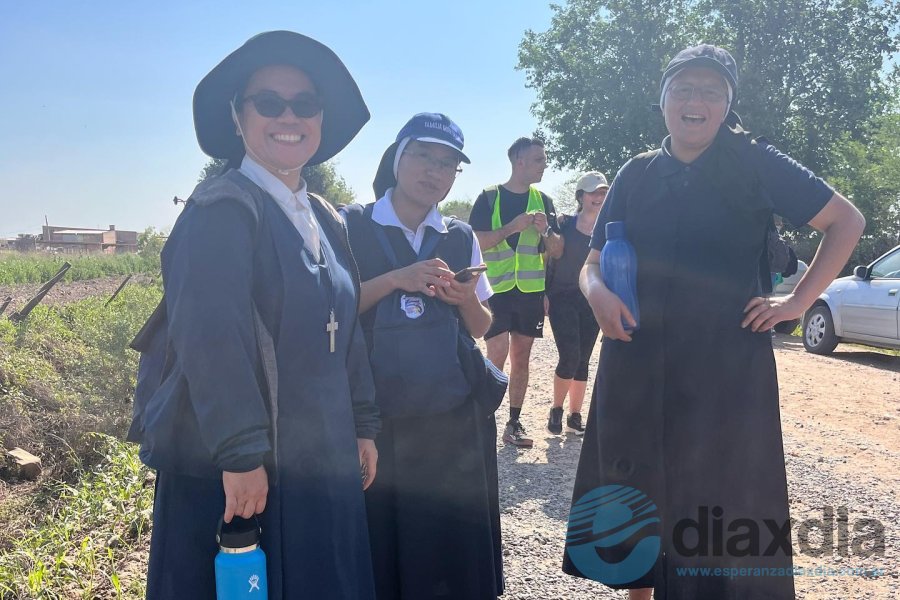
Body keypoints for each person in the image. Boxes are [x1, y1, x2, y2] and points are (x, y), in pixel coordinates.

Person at [563, 45, 865, 600]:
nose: (694, 101)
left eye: (710, 91)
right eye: (683, 89)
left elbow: (846, 221)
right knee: (637, 488)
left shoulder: (756, 162)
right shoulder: (634, 173)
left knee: (718, 501)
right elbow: (589, 265)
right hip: (637, 358)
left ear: (727, 104)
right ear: (663, 101)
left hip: (723, 368)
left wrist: (797, 301)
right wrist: (598, 294)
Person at [133, 31, 380, 599]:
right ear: (238, 118)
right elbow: (208, 339)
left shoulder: (324, 218)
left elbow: (347, 334)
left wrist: (363, 424)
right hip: (246, 466)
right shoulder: (220, 210)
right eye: (268, 102)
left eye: (305, 104)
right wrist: (241, 454)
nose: (288, 116)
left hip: (324, 457)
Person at [342, 113, 504, 599]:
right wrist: (397, 279)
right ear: (396, 157)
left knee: (449, 541)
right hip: (376, 415)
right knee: (382, 543)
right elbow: (330, 311)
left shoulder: (460, 236)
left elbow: (481, 327)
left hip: (452, 413)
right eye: (423, 157)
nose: (434, 171)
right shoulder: (351, 225)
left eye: (447, 163)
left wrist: (465, 300)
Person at [469, 137, 564, 448]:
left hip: (530, 293)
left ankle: (514, 422)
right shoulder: (488, 198)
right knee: (495, 355)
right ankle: (483, 418)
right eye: (539, 159)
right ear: (519, 161)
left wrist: (545, 231)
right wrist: (510, 228)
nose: (544, 165)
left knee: (521, 357)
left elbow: (558, 251)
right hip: (495, 291)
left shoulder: (545, 201)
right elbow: (475, 244)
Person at [545, 171, 607, 435]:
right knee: (569, 355)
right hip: (562, 296)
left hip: (591, 299)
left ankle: (575, 416)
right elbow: (550, 259)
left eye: (603, 192)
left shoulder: (608, 229)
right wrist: (543, 294)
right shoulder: (564, 223)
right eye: (594, 192)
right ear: (581, 195)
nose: (599, 197)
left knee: (583, 359)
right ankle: (556, 409)